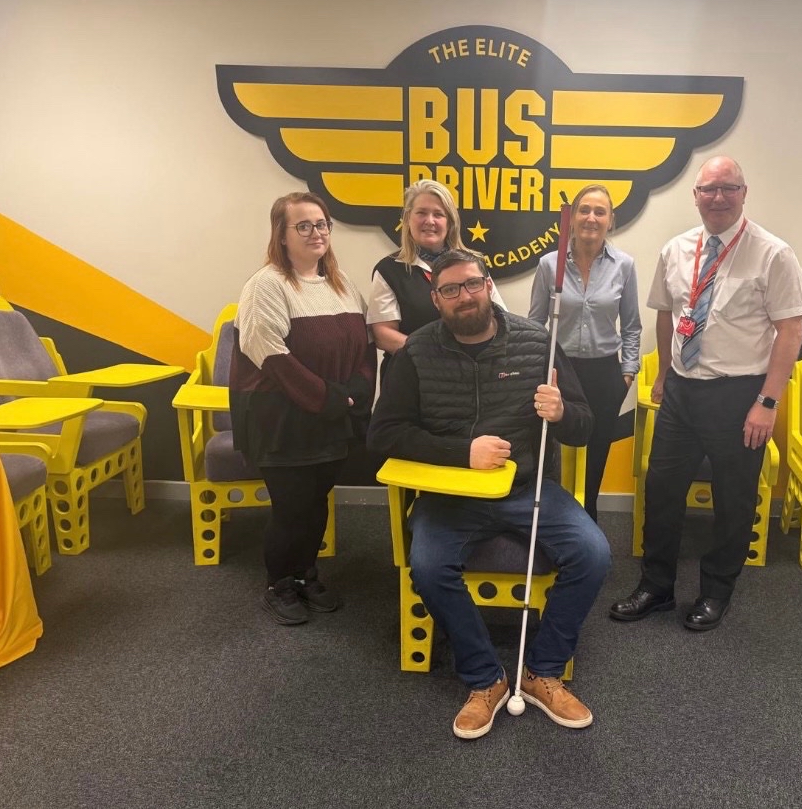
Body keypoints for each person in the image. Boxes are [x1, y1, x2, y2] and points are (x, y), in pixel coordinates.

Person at [368, 249, 611, 740]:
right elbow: (383, 435)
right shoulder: (416, 352)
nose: (465, 296)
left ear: (488, 284)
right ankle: (485, 679)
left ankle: (541, 670)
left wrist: (563, 412)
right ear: (435, 298)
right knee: (430, 568)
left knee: (594, 553)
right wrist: (462, 452)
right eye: (451, 289)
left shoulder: (537, 342)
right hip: (450, 495)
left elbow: (585, 427)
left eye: (472, 284)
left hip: (527, 488)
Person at [610, 157, 802, 632]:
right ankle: (656, 587)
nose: (718, 198)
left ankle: (717, 591)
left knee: (734, 499)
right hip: (680, 391)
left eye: (728, 188)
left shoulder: (773, 253)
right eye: (709, 190)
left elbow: (791, 330)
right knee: (661, 491)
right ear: (694, 196)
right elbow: (665, 312)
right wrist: (662, 376)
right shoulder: (676, 249)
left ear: (744, 192)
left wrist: (768, 401)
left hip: (740, 395)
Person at [229, 192, 376, 626]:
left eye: (322, 224)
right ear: (282, 234)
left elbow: (365, 350)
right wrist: (333, 399)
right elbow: (271, 356)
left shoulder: (342, 282)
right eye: (304, 225)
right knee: (291, 508)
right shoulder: (267, 285)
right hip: (282, 420)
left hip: (330, 419)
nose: (317, 233)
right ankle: (279, 583)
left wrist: (355, 391)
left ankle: (306, 573)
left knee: (316, 504)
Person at [528, 184, 641, 522]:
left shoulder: (624, 266)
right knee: (553, 449)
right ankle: (552, 517)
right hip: (560, 370)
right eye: (584, 210)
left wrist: (628, 371)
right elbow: (535, 322)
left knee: (596, 449)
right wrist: (535, 369)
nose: (591, 217)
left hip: (606, 373)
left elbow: (632, 324)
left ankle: (587, 515)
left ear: (610, 221)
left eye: (600, 211)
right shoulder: (550, 265)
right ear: (572, 218)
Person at [367, 179, 505, 383]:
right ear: (407, 219)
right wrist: (435, 357)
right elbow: (383, 334)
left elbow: (501, 316)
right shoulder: (389, 269)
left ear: (450, 222)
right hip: (411, 377)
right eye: (421, 213)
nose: (429, 221)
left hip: (469, 374)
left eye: (438, 214)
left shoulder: (472, 265)